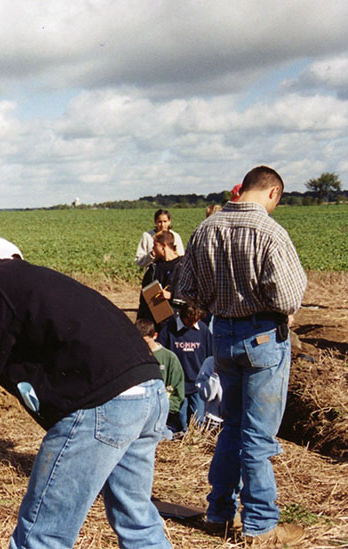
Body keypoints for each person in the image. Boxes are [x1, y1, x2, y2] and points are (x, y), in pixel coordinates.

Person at [0, 236, 171, 549]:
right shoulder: (38, 285)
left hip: (103, 404)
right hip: (148, 392)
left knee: (42, 537)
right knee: (137, 521)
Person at [177, 166, 307, 545]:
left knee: (231, 427)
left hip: (223, 337)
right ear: (274, 193)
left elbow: (188, 292)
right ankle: (261, 526)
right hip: (263, 338)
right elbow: (287, 298)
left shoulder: (206, 229)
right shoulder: (270, 232)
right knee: (258, 436)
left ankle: (219, 513)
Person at [157, 302, 212, 432]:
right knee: (180, 419)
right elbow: (160, 352)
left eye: (196, 321)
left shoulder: (203, 329)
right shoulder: (169, 329)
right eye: (191, 320)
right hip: (177, 384)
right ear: (183, 316)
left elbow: (210, 354)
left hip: (197, 383)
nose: (193, 323)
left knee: (198, 420)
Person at [136, 318, 185, 434]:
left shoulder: (169, 358)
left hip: (163, 419)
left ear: (155, 336)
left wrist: (163, 408)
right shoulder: (133, 357)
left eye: (146, 342)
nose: (143, 346)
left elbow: (178, 393)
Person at [137, 230, 183, 322]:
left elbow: (194, 294)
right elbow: (144, 297)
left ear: (163, 246)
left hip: (176, 320)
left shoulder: (183, 266)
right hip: (154, 320)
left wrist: (172, 295)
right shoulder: (153, 268)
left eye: (155, 245)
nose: (153, 249)